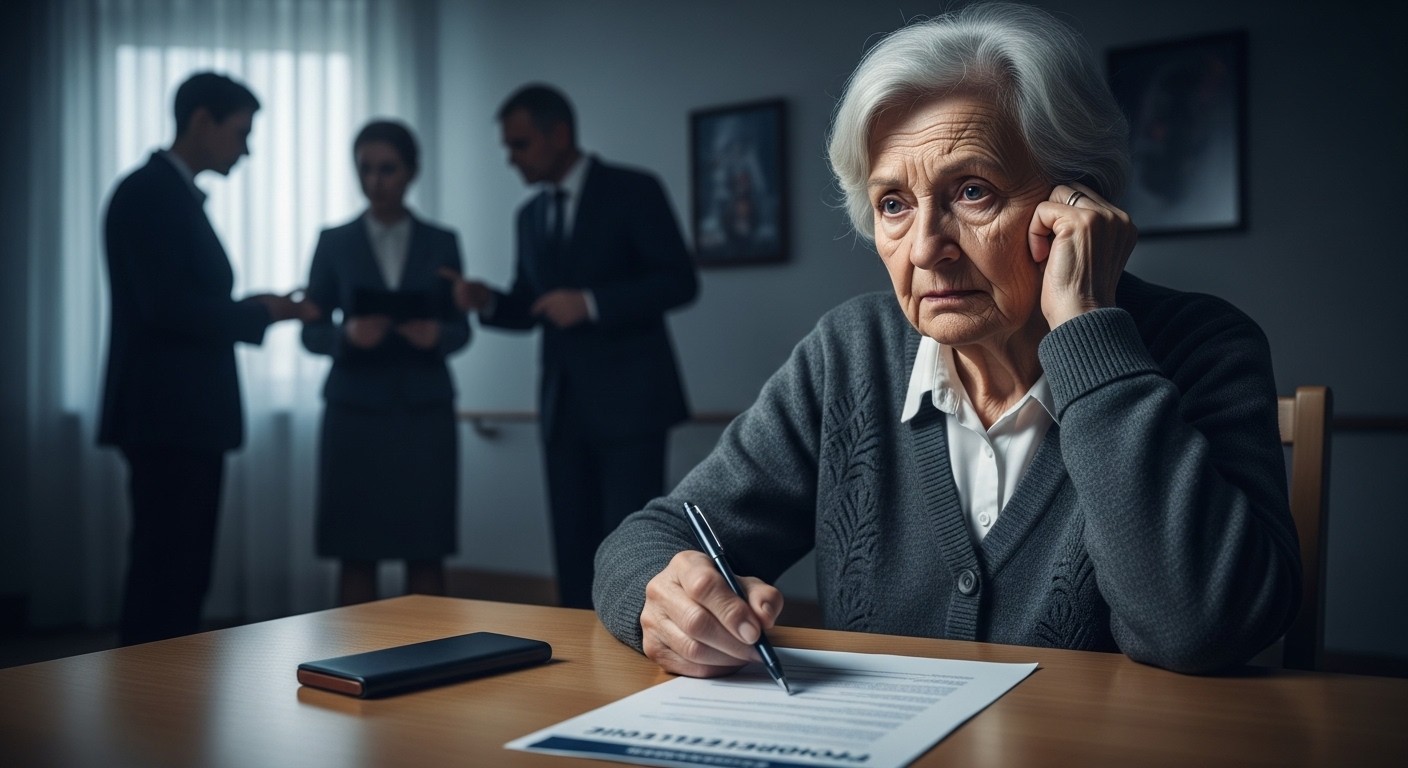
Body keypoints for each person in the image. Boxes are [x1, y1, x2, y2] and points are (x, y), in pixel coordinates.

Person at [592, 2, 1301, 675]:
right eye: (893, 204)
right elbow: (649, 539)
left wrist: (1087, 329)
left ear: (1075, 201)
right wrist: (668, 600)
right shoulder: (850, 354)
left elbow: (1202, 626)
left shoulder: (1204, 346)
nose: (927, 248)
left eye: (972, 191)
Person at [442, 84, 698, 609]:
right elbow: (532, 305)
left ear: (559, 134)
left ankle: (640, 650)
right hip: (563, 410)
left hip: (632, 408)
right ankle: (578, 658)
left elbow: (679, 282)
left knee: (634, 551)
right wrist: (486, 300)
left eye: (519, 144)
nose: (511, 158)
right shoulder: (529, 216)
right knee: (572, 552)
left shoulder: (634, 190)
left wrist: (591, 302)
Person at [98, 71, 316, 645]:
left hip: (176, 415)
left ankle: (161, 685)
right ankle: (151, 687)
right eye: (241, 132)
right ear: (201, 120)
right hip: (168, 415)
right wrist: (261, 313)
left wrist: (259, 308)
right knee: (167, 571)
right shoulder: (149, 193)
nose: (246, 149)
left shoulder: (162, 192)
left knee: (179, 567)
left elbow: (177, 301)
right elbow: (166, 308)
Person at [301, 120, 471, 605]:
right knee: (355, 551)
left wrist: (438, 335)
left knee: (427, 550)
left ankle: (434, 651)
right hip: (354, 413)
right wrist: (346, 335)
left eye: (387, 169)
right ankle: (356, 651)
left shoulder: (442, 240)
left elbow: (462, 327)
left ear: (412, 171)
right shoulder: (333, 241)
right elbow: (310, 329)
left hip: (425, 411)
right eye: (365, 169)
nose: (375, 181)